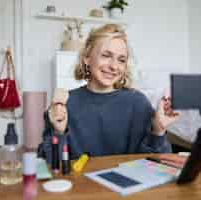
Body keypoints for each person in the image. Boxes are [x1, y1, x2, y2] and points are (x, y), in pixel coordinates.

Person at [42, 24, 180, 163]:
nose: (114, 66)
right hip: (80, 183)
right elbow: (49, 164)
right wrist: (58, 132)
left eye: (121, 60)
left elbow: (158, 164)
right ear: (87, 58)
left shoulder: (138, 102)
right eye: (106, 55)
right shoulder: (65, 104)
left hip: (127, 183)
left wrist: (158, 131)